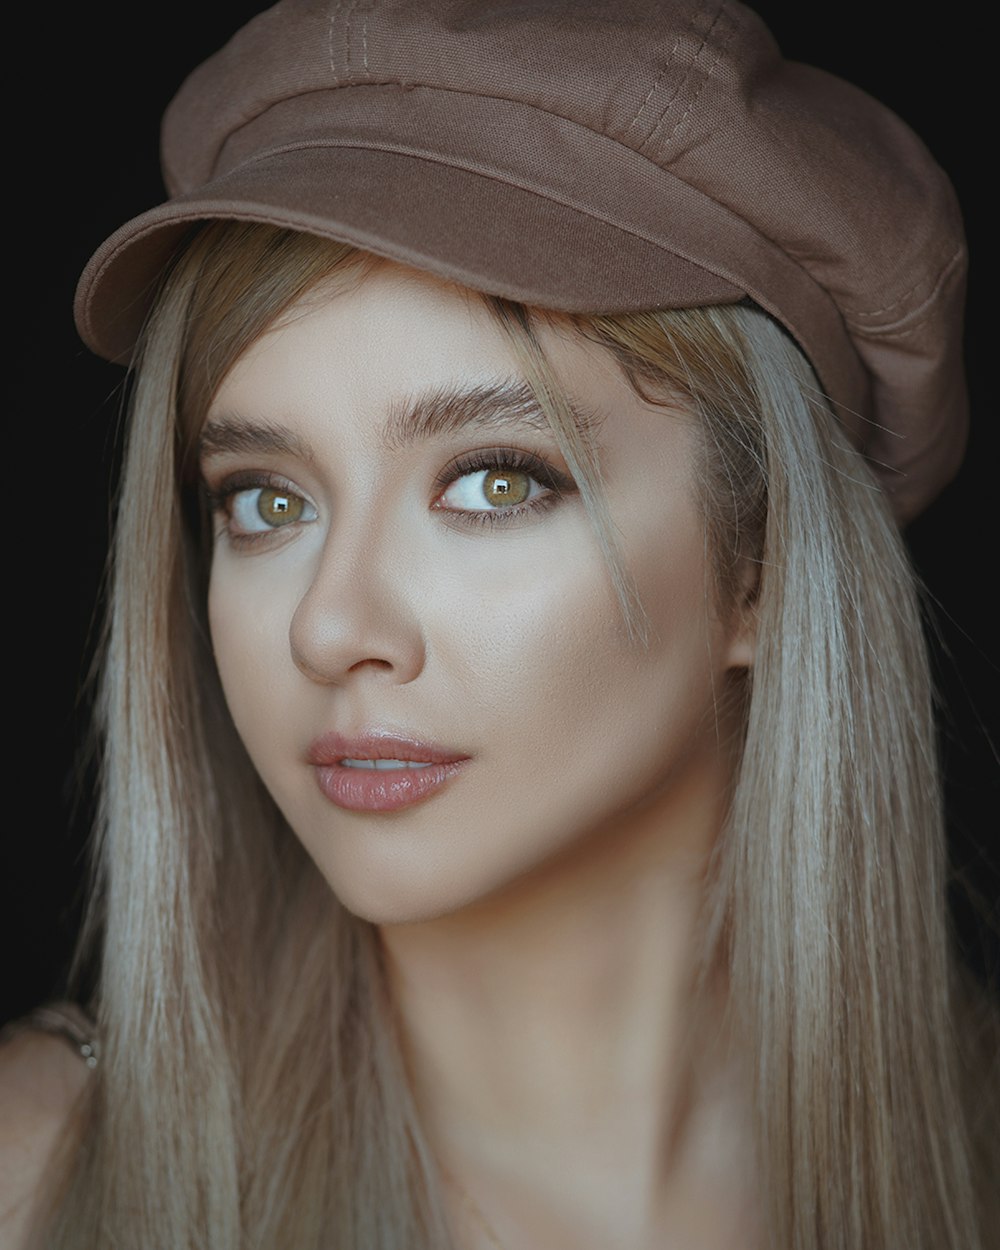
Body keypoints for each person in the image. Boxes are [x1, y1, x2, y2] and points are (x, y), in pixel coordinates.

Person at [2, 2, 996, 1248]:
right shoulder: (39, 1177)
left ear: (763, 567)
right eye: (266, 499)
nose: (330, 625)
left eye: (495, 481)